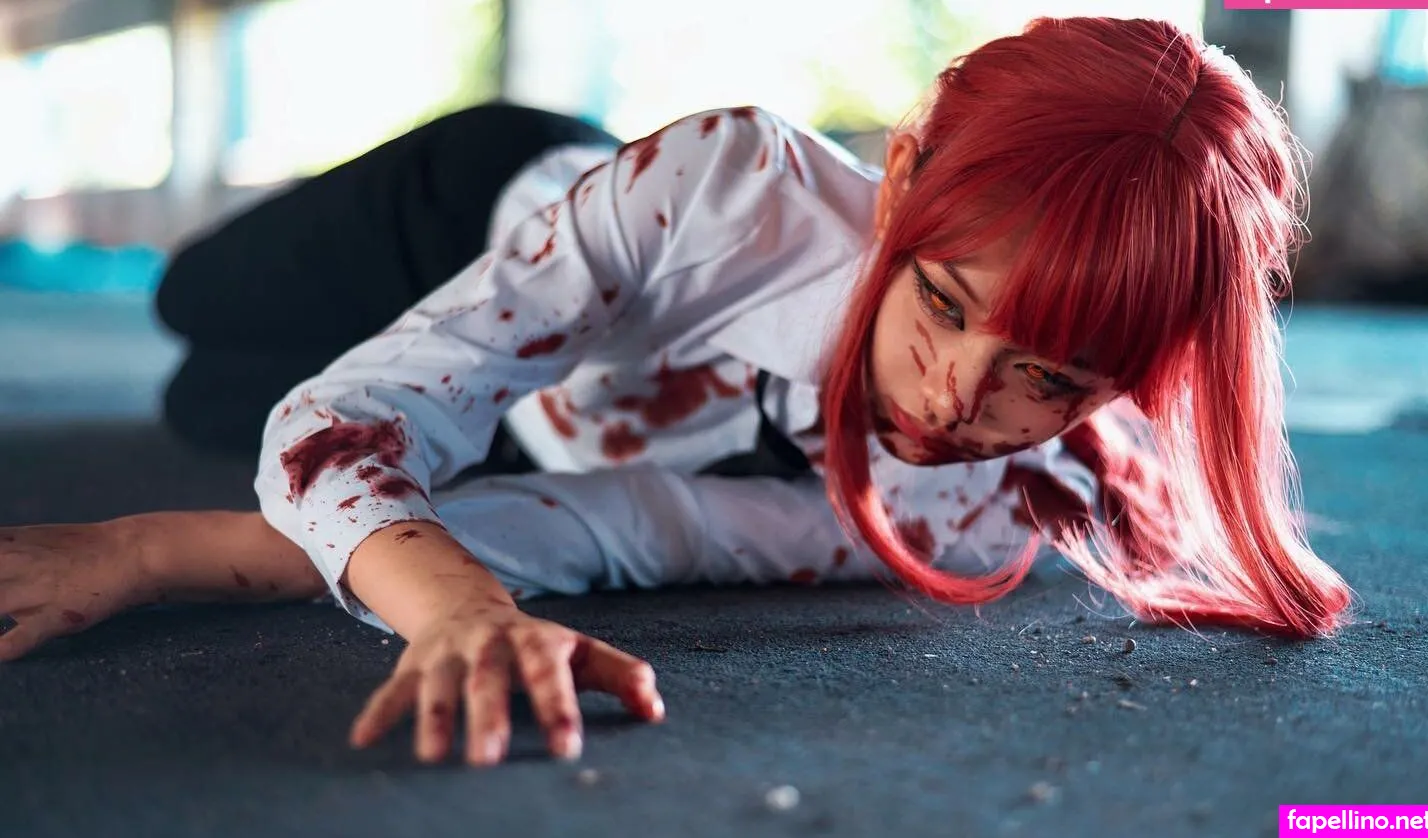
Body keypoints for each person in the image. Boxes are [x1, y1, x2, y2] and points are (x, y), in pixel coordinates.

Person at [0, 17, 1352, 768]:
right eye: (943, 302)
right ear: (899, 182)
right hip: (466, 220)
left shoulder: (970, 514)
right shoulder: (728, 186)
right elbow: (348, 421)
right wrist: (455, 607)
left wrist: (146, 552)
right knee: (193, 304)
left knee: (201, 410)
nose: (956, 397)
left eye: (1045, 380)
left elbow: (614, 529)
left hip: (531, 427)